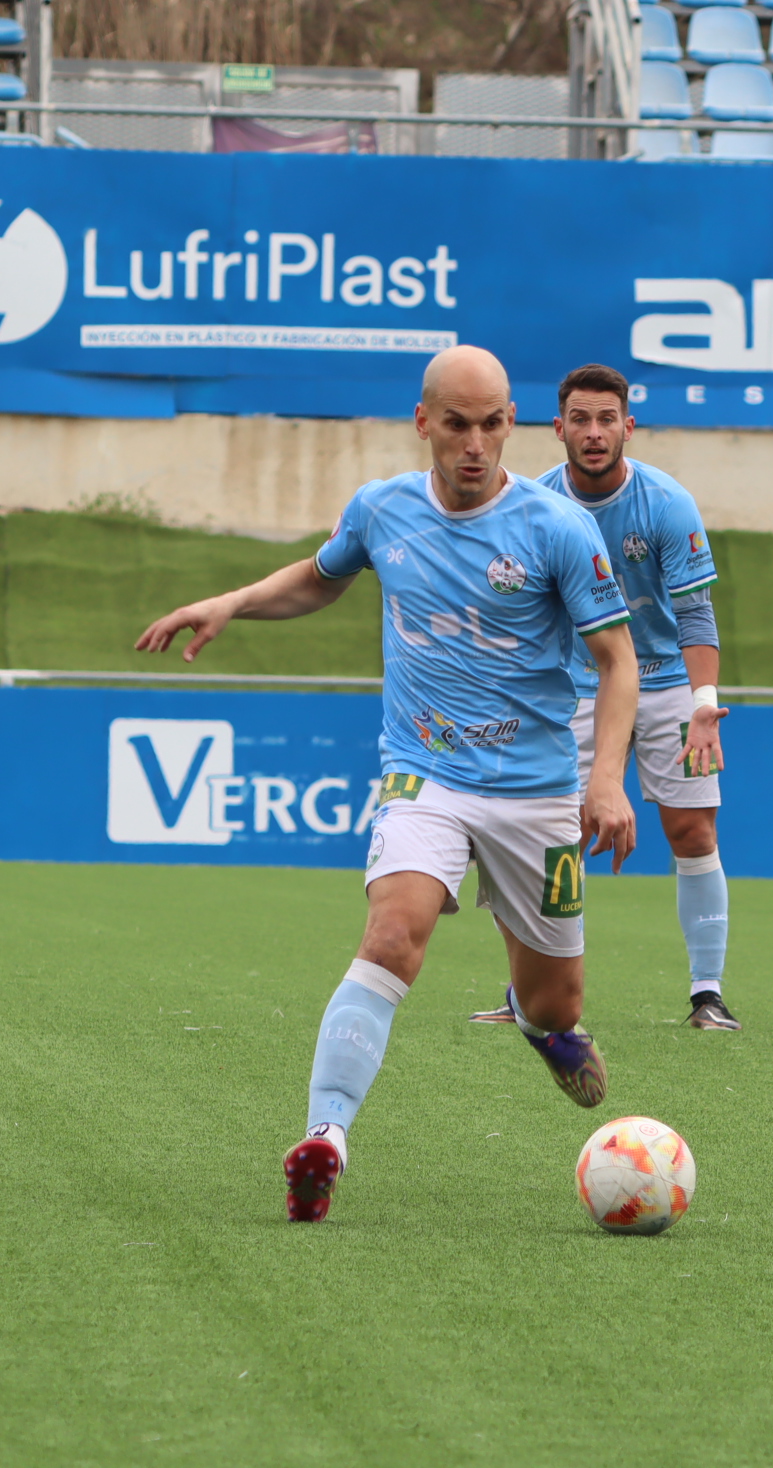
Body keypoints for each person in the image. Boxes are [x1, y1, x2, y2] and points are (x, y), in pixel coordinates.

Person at [134, 345, 641, 1223]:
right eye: (456, 425)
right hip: (425, 774)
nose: (475, 445)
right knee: (393, 933)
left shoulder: (558, 530)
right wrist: (231, 603)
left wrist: (606, 780)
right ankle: (325, 1138)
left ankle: (539, 1022)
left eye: (491, 425)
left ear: (510, 424)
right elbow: (319, 579)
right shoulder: (381, 510)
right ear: (423, 423)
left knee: (558, 1001)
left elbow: (617, 660)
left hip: (538, 792)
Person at [475, 362, 739, 1032]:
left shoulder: (666, 503)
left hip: (666, 683)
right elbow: (516, 618)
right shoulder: (532, 507)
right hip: (574, 684)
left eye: (607, 419)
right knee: (552, 835)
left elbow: (696, 614)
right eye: (580, 420)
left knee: (692, 828)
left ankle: (706, 994)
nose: (594, 433)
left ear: (628, 425)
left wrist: (703, 701)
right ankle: (529, 997)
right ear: (558, 427)